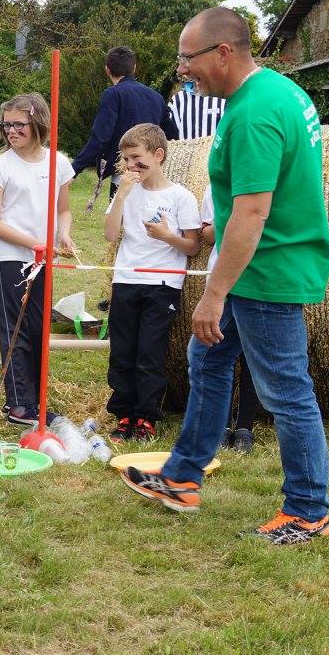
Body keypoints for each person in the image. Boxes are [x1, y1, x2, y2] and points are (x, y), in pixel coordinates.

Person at [122, 7, 329, 545]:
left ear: (222, 52)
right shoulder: (280, 93)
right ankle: (182, 477)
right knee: (208, 359)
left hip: (264, 272)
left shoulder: (254, 113)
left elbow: (253, 213)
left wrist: (212, 294)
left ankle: (308, 511)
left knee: (286, 390)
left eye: (187, 59)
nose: (183, 71)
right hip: (257, 264)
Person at [102, 124, 201, 442]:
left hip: (162, 285)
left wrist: (166, 236)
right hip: (126, 279)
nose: (131, 166)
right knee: (122, 350)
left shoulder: (180, 196)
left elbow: (193, 246)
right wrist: (122, 195)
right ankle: (124, 414)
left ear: (158, 156)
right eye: (126, 159)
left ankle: (145, 417)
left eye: (137, 159)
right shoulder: (127, 191)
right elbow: (109, 234)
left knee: (149, 352)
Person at [0, 93, 75, 426]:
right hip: (10, 258)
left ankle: (37, 400)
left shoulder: (58, 163)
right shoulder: (0, 166)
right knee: (15, 330)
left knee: (38, 330)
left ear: (37, 123)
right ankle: (18, 404)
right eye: (7, 125)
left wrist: (62, 235)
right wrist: (36, 244)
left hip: (43, 259)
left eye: (19, 124)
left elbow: (63, 210)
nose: (12, 131)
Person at [197, 183, 263, 453]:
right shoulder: (215, 187)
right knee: (218, 352)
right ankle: (220, 425)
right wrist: (231, 217)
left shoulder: (264, 184)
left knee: (251, 357)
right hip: (222, 279)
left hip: (258, 278)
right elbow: (207, 236)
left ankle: (245, 425)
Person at [71, 46, 179, 204]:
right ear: (134, 68)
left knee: (122, 223)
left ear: (107, 70)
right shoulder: (155, 96)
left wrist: (74, 169)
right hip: (152, 172)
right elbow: (172, 135)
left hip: (125, 171)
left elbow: (100, 138)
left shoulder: (113, 94)